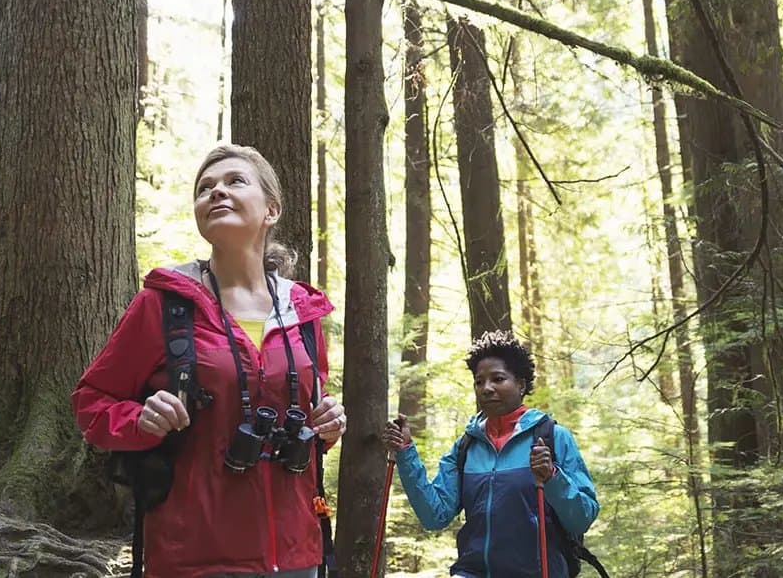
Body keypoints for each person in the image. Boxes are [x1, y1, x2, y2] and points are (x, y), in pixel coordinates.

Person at [74, 144, 346, 578]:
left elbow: (308, 417)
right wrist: (140, 417)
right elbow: (91, 402)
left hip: (297, 553)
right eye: (205, 189)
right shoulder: (166, 304)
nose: (216, 192)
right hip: (196, 556)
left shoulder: (303, 312)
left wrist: (328, 422)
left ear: (271, 210)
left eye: (234, 181)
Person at [382, 330, 599, 578]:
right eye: (479, 381)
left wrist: (552, 476)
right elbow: (435, 516)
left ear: (521, 385)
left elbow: (582, 518)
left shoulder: (553, 438)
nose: (486, 388)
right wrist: (405, 452)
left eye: (498, 379)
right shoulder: (466, 446)